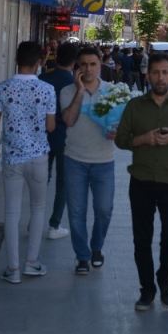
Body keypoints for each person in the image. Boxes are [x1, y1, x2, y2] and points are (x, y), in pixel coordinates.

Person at [115, 54, 168, 311]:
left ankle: (165, 279)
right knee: (142, 239)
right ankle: (147, 289)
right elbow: (121, 139)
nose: (160, 77)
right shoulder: (135, 106)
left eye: (165, 72)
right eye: (155, 72)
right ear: (148, 75)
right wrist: (144, 139)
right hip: (141, 180)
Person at [0, 41, 57, 284]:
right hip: (38, 157)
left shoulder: (3, 88)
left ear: (17, 60)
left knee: (11, 211)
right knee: (38, 208)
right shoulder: (47, 90)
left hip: (12, 158)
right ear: (39, 62)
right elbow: (50, 127)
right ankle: (32, 262)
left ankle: (13, 268)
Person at [59, 47, 117, 274]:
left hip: (104, 161)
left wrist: (117, 130)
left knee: (104, 209)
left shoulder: (112, 91)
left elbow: (120, 124)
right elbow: (68, 120)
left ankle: (97, 247)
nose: (88, 69)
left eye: (93, 64)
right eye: (83, 64)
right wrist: (80, 92)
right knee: (76, 212)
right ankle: (82, 256)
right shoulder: (67, 91)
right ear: (77, 66)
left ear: (100, 65)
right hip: (74, 160)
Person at [39, 42, 78, 241]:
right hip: (65, 139)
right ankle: (54, 224)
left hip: (41, 137)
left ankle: (35, 220)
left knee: (40, 180)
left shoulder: (41, 79)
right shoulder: (74, 85)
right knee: (63, 183)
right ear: (74, 61)